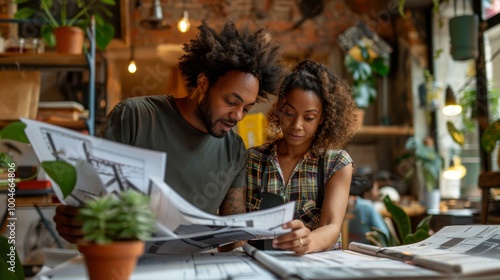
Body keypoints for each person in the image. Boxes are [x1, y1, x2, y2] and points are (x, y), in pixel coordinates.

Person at [53, 19, 286, 248]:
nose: (237, 115)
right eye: (230, 101)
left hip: (194, 266)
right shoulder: (134, 116)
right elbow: (92, 199)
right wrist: (76, 221)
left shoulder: (234, 148)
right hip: (125, 262)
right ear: (203, 83)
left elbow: (232, 232)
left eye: (246, 108)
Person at [245, 60, 358, 255]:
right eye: (289, 113)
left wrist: (308, 241)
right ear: (280, 109)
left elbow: (331, 226)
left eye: (309, 118)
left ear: (322, 118)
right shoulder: (254, 160)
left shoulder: (336, 163)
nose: (297, 125)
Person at [347, 174, 390, 245]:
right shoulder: (366, 206)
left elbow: (383, 235)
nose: (378, 192)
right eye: (376, 188)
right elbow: (384, 234)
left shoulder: (366, 206)